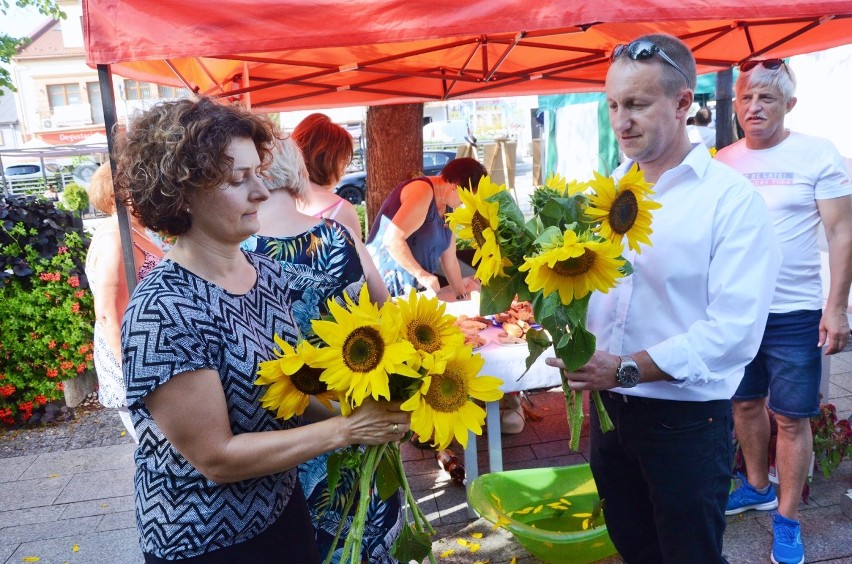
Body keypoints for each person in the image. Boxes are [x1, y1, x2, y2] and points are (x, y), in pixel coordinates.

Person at [115, 97, 410, 563]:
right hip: (206, 536)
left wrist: (374, 408)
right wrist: (347, 430)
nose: (260, 190)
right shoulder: (163, 308)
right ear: (182, 193)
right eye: (238, 179)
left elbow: (289, 391)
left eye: (258, 172)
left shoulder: (264, 274)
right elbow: (217, 456)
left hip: (279, 510)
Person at [546, 34, 781, 563]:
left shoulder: (730, 200)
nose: (621, 121)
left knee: (689, 555)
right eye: (612, 105)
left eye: (636, 104)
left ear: (681, 103)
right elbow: (594, 293)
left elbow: (734, 334)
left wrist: (626, 368)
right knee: (634, 548)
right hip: (610, 413)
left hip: (686, 422)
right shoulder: (607, 191)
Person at [716, 58, 852, 564]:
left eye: (767, 98)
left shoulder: (819, 154)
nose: (754, 106)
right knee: (744, 404)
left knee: (792, 419)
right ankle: (756, 486)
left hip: (796, 311)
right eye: (747, 97)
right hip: (737, 310)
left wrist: (835, 309)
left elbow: (842, 233)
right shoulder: (723, 160)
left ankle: (788, 520)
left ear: (789, 105)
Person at [241, 138, 400, 562]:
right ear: (296, 172)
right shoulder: (337, 235)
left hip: (284, 436)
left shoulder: (236, 253)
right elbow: (386, 311)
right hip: (358, 412)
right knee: (365, 528)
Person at [84, 163, 164, 442]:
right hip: (135, 360)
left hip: (150, 354)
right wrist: (132, 370)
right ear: (125, 192)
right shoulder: (114, 237)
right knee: (159, 447)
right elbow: (108, 313)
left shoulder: (133, 230)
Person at [365, 157, 485, 299]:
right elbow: (392, 239)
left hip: (415, 292)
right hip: (387, 287)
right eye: (468, 196)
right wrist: (421, 274)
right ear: (456, 186)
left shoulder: (448, 207)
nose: (464, 203)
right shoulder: (421, 190)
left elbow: (450, 260)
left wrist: (462, 296)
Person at [291, 113, 363, 240]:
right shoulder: (340, 210)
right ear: (331, 161)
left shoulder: (270, 199)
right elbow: (357, 259)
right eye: (344, 160)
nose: (344, 170)